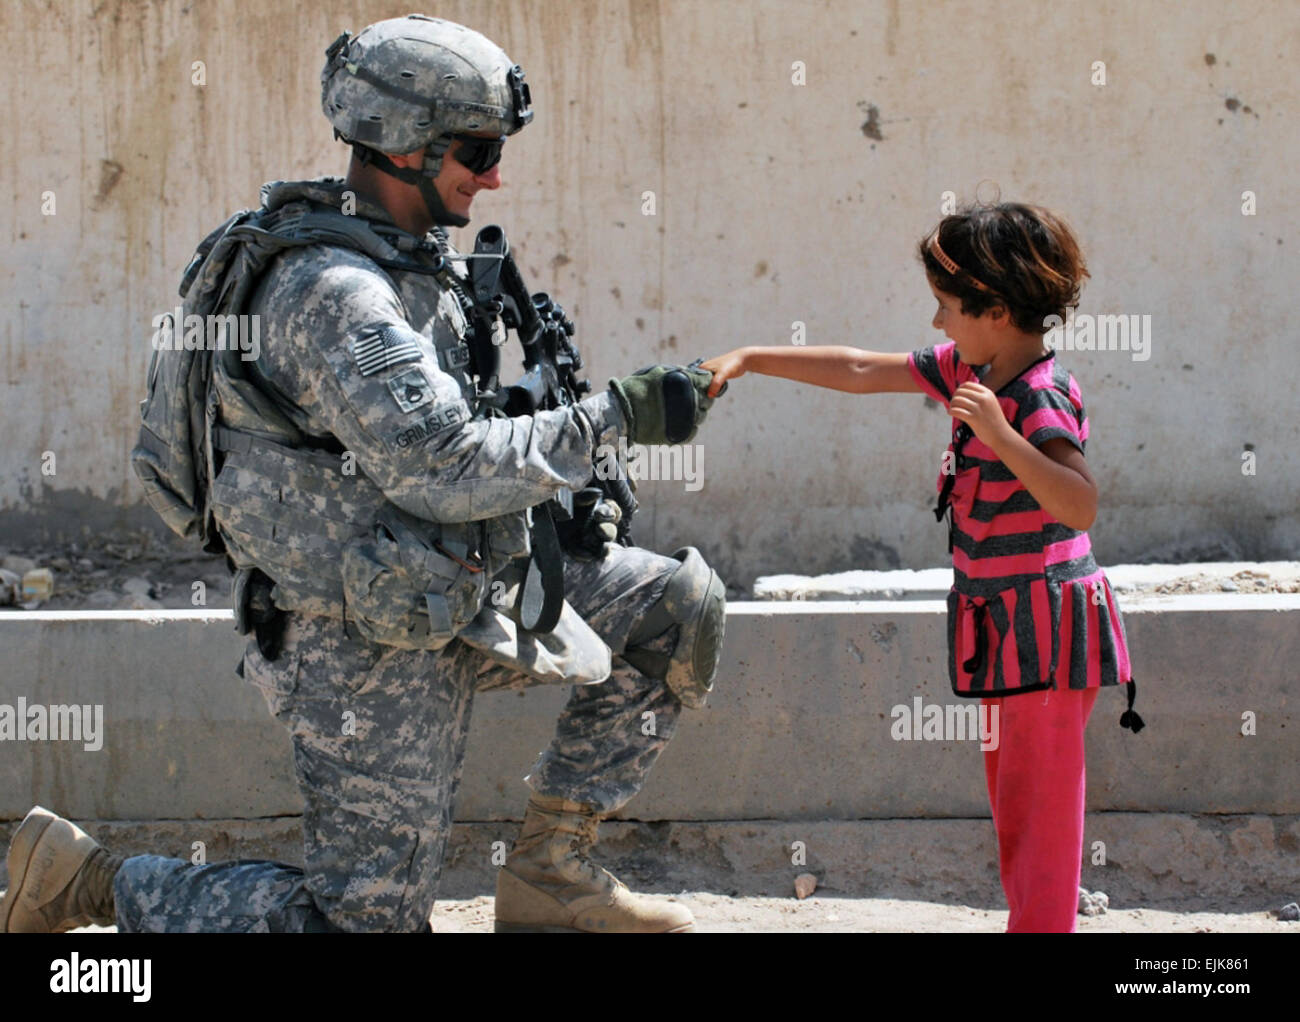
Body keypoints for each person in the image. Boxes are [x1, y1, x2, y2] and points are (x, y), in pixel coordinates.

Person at [1, 14, 726, 934]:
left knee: (674, 607)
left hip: (456, 590)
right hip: (356, 641)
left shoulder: (412, 261)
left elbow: (458, 436)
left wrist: (566, 498)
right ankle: (91, 882)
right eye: (476, 147)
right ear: (401, 144)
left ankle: (550, 874)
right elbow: (445, 464)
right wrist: (621, 415)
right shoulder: (334, 292)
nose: (495, 172)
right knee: (362, 929)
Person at [700, 201, 1141, 933]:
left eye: (946, 307)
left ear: (995, 309)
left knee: (1042, 816)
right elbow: (860, 368)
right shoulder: (974, 367)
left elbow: (1080, 503)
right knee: (1015, 805)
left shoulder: (1036, 394)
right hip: (1004, 625)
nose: (938, 325)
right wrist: (750, 358)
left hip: (1048, 631)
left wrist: (999, 435)